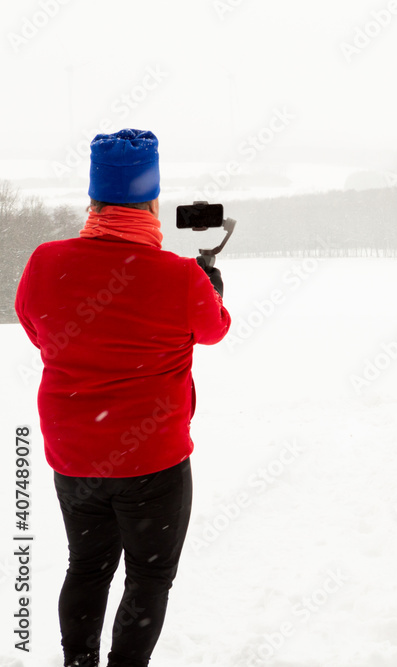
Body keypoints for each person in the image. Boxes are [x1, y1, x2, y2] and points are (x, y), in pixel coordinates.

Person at [14, 129, 231, 667]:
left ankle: (78, 661)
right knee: (150, 575)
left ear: (93, 200)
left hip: (76, 459)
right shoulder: (181, 277)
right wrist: (211, 285)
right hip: (152, 461)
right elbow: (215, 330)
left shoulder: (45, 261)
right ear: (153, 203)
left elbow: (36, 328)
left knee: (86, 565)